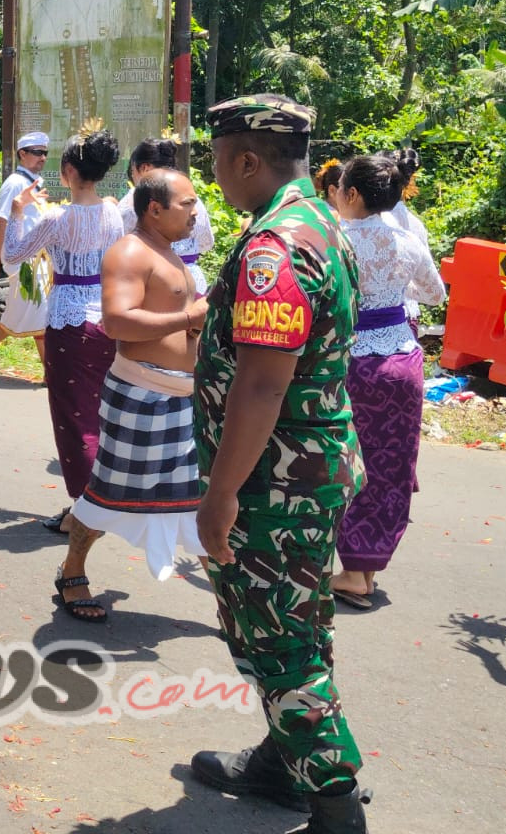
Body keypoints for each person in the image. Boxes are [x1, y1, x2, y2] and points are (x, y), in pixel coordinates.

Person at [190, 94, 368, 834]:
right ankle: (280, 759)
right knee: (293, 622)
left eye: (217, 162)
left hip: (274, 483)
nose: (215, 177)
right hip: (309, 470)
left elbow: (264, 382)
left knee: (279, 637)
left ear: (245, 160)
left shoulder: (276, 247)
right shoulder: (323, 220)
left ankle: (332, 799)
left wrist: (221, 493)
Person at [51, 169, 208, 622]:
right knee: (107, 494)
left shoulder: (169, 252)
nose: (195, 210)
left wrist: (195, 323)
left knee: (197, 499)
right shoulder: (130, 252)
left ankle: (229, 603)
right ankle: (72, 569)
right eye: (187, 203)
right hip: (142, 394)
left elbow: (175, 314)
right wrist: (188, 318)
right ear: (154, 209)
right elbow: (117, 323)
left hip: (182, 398)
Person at [326, 155, 446, 609]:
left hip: (349, 359)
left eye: (339, 187)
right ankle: (364, 568)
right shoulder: (408, 239)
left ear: (352, 194)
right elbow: (436, 295)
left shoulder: (333, 240)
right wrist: (396, 291)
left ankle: (346, 569)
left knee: (338, 455)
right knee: (390, 463)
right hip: (400, 360)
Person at [1, 130, 125, 536]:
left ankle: (89, 511)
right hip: (105, 318)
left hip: (68, 321)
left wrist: (19, 212)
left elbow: (13, 256)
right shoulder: (112, 213)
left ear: (69, 171)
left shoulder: (57, 218)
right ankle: (90, 506)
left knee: (75, 419)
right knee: (101, 413)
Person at [0, 131, 51, 374]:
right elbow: (1, 222)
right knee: (39, 312)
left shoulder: (34, 182)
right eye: (37, 152)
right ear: (22, 154)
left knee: (25, 309)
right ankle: (51, 373)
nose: (42, 158)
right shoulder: (15, 183)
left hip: (37, 258)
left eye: (45, 153)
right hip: (23, 259)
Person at [119, 137, 215, 296]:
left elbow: (119, 247)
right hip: (193, 282)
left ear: (144, 168)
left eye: (132, 171)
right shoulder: (192, 199)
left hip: (156, 283)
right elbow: (206, 243)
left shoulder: (132, 202)